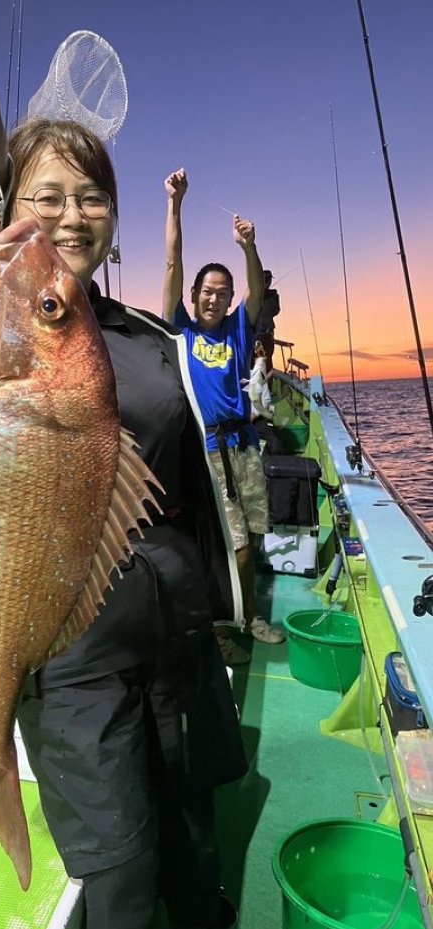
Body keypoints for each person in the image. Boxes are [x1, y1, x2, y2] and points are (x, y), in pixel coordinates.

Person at [0, 37, 247, 929]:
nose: (69, 214)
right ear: (10, 209)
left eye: (91, 196)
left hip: (176, 635)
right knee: (121, 868)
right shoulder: (1, 314)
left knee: (188, 819)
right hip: (72, 653)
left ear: (114, 216)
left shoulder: (144, 333)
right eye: (45, 195)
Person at [163, 167, 287, 664]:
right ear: (193, 298)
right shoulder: (183, 333)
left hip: (244, 447)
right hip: (208, 453)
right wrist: (175, 204)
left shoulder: (237, 332)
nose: (213, 298)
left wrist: (249, 248)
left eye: (222, 292)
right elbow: (173, 263)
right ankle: (219, 623)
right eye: (206, 292)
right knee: (225, 546)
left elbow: (256, 294)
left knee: (252, 541)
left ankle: (249, 615)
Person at [255, 269, 280, 366]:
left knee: (260, 359)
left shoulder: (254, 294)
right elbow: (276, 311)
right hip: (267, 333)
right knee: (267, 359)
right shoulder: (273, 295)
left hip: (260, 334)